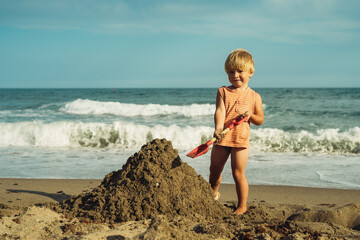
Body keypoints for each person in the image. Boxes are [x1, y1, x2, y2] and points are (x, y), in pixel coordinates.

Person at [209, 48, 264, 215]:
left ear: (251, 72)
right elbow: (220, 111)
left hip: (241, 141)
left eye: (240, 71)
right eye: (231, 71)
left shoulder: (255, 96)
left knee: (238, 173)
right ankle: (213, 194)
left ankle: (242, 205)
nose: (235, 75)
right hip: (223, 138)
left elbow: (260, 119)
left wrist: (251, 116)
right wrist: (218, 128)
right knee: (214, 171)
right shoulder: (223, 91)